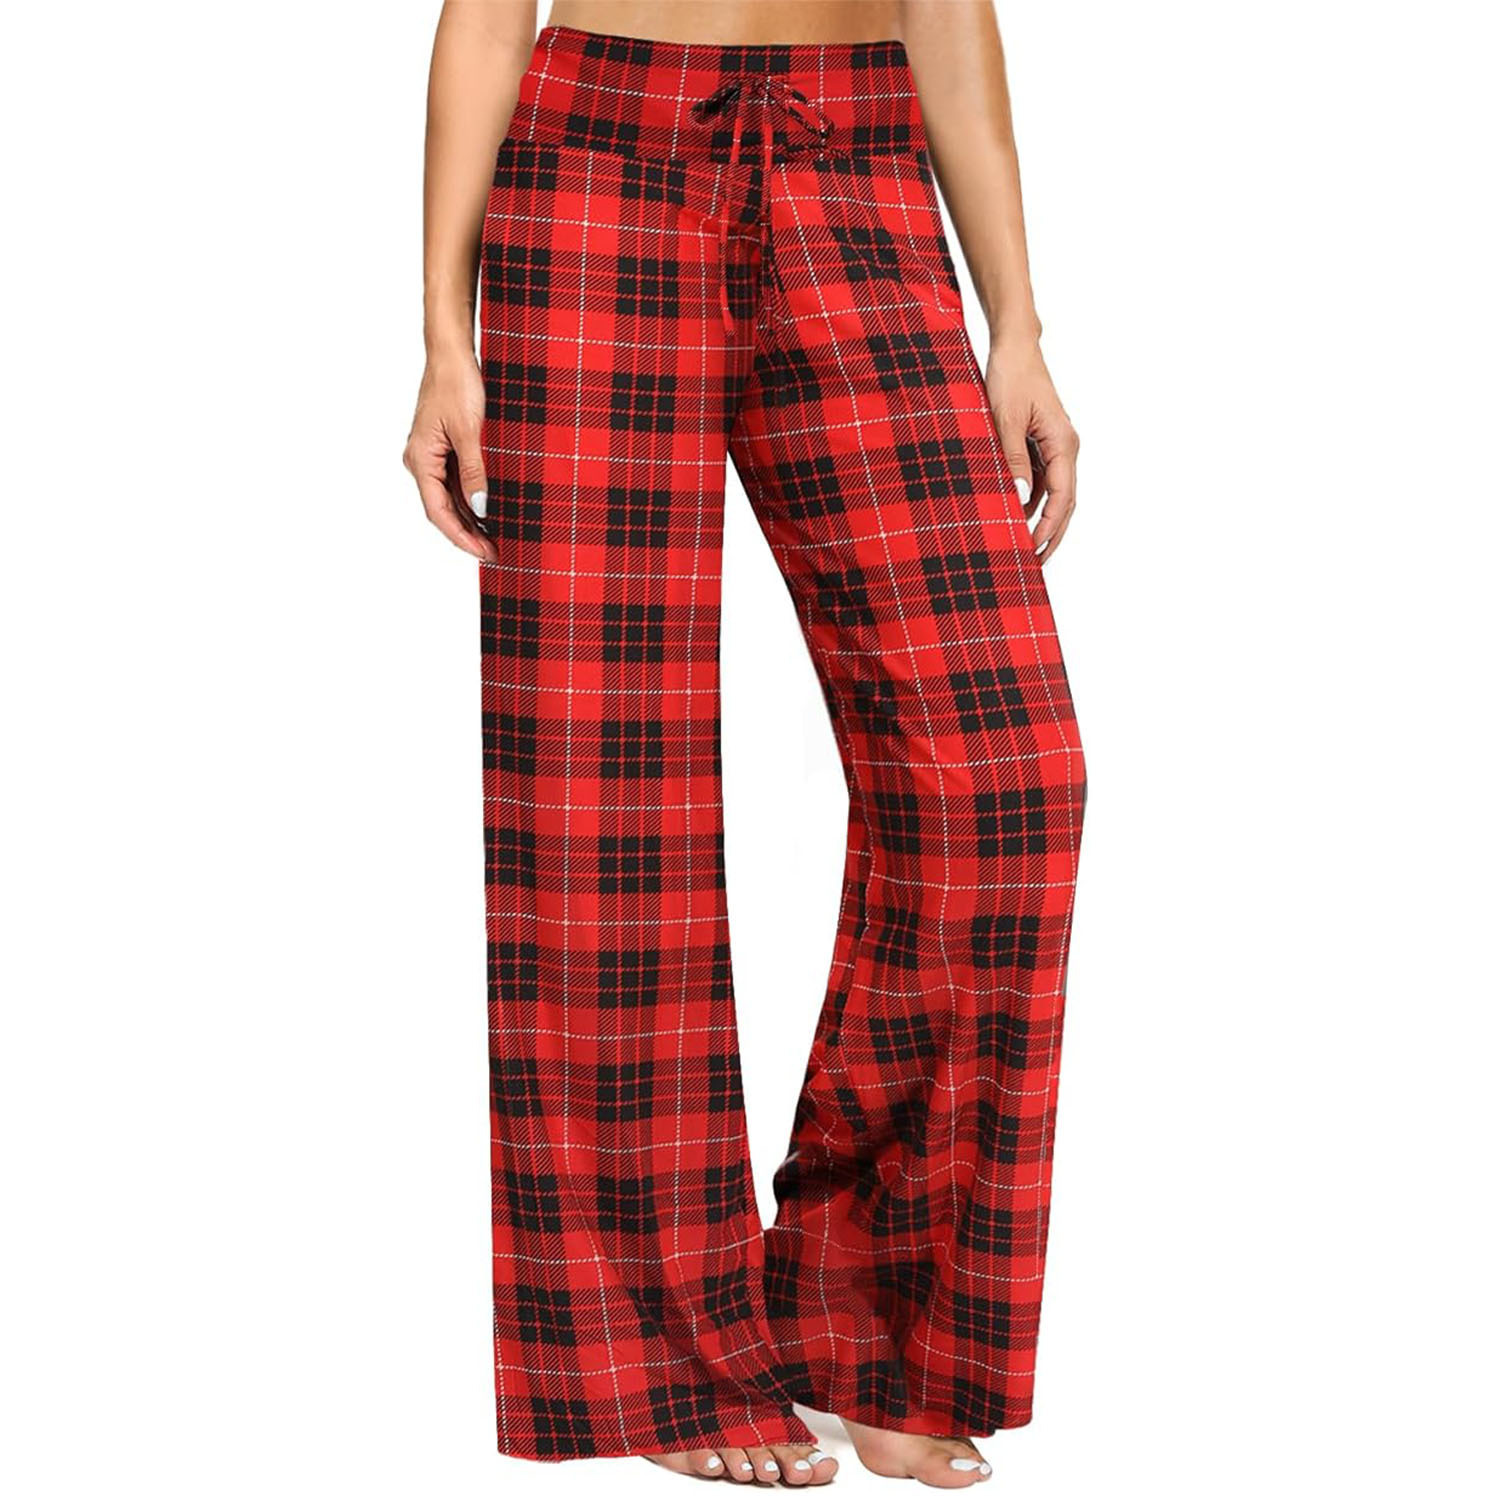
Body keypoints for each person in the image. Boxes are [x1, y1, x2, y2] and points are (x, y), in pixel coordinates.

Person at [403, 1, 1086, 1488]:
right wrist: (445, 337)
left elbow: (945, 8)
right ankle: (658, 1357)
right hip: (596, 169)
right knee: (600, 793)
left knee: (1003, 776)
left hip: (859, 160)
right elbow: (489, 11)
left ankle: (874, 1327)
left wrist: (1017, 324)